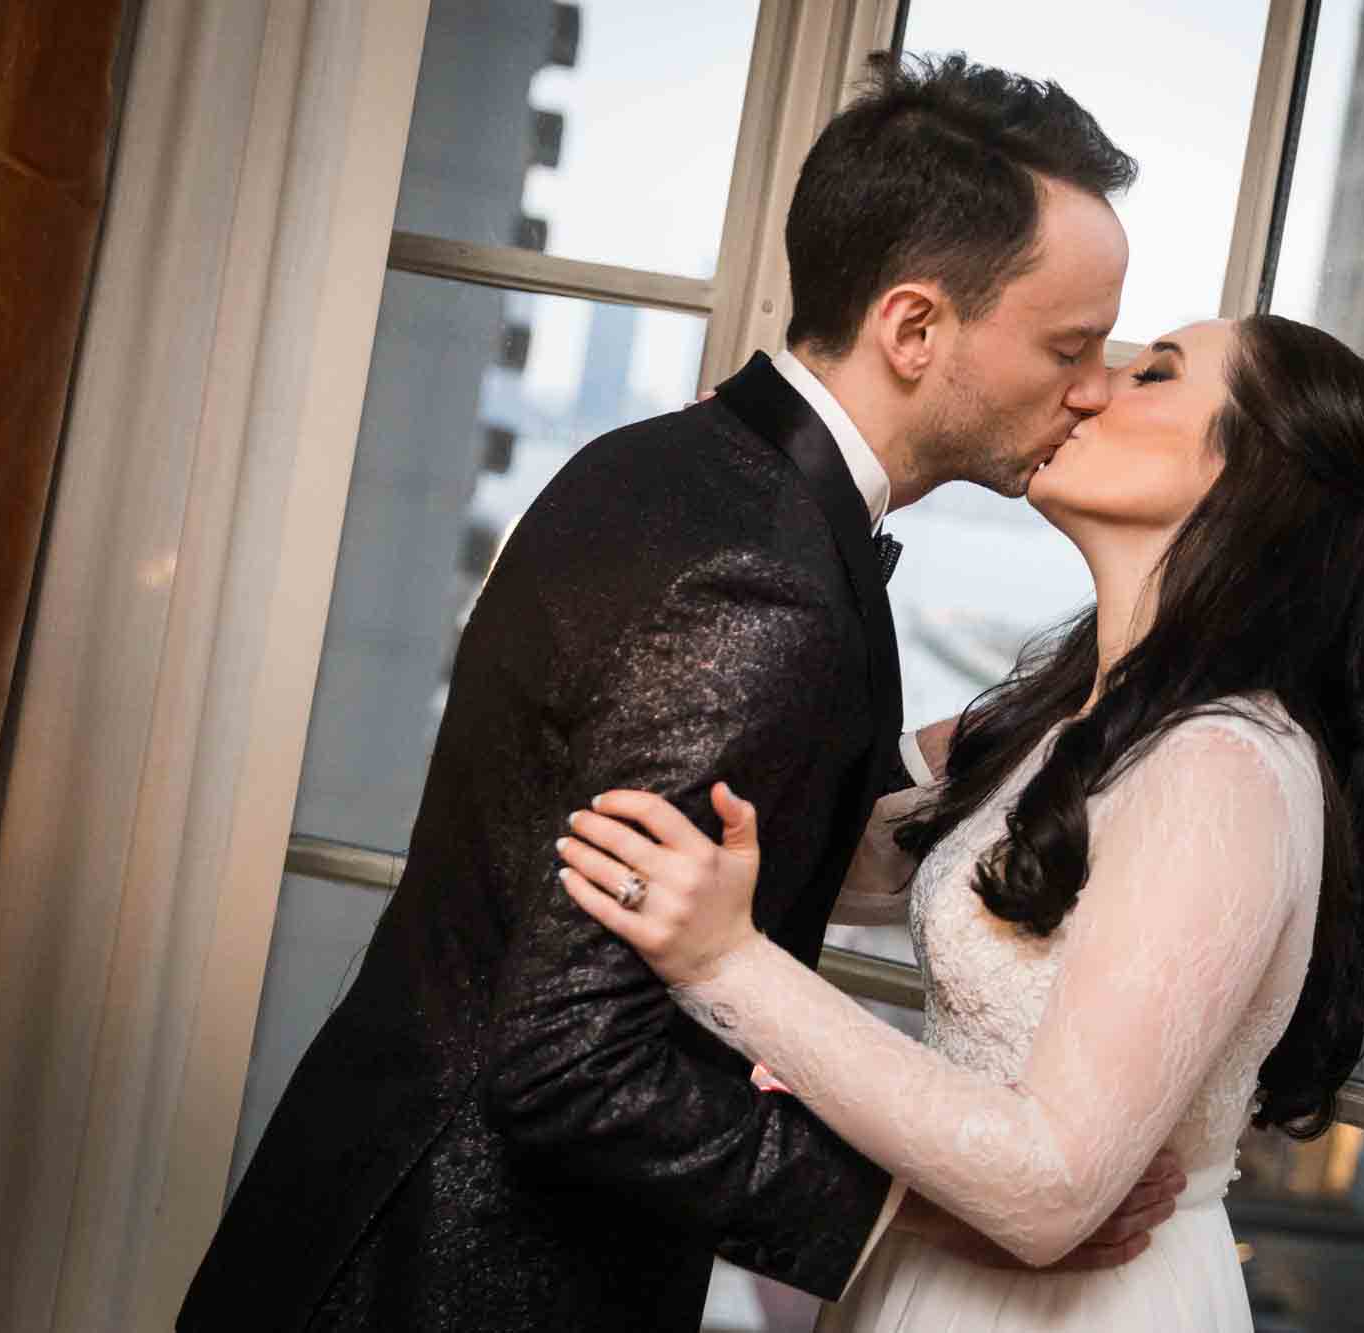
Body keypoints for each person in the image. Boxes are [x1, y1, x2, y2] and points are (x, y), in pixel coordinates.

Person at [178, 55, 1188, 1333]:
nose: (1093, 385)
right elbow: (567, 1057)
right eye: (1069, 345)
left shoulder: (690, 469)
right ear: (914, 328)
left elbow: (802, 804)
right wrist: (932, 1202)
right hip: (453, 1276)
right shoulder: (757, 578)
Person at [559, 314, 1364, 1329]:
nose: (1088, 389)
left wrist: (726, 967)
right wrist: (738, 499)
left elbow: (1050, 1192)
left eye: (1151, 374)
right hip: (929, 1272)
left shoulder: (1222, 767)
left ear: (1254, 475)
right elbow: (804, 837)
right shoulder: (1058, 716)